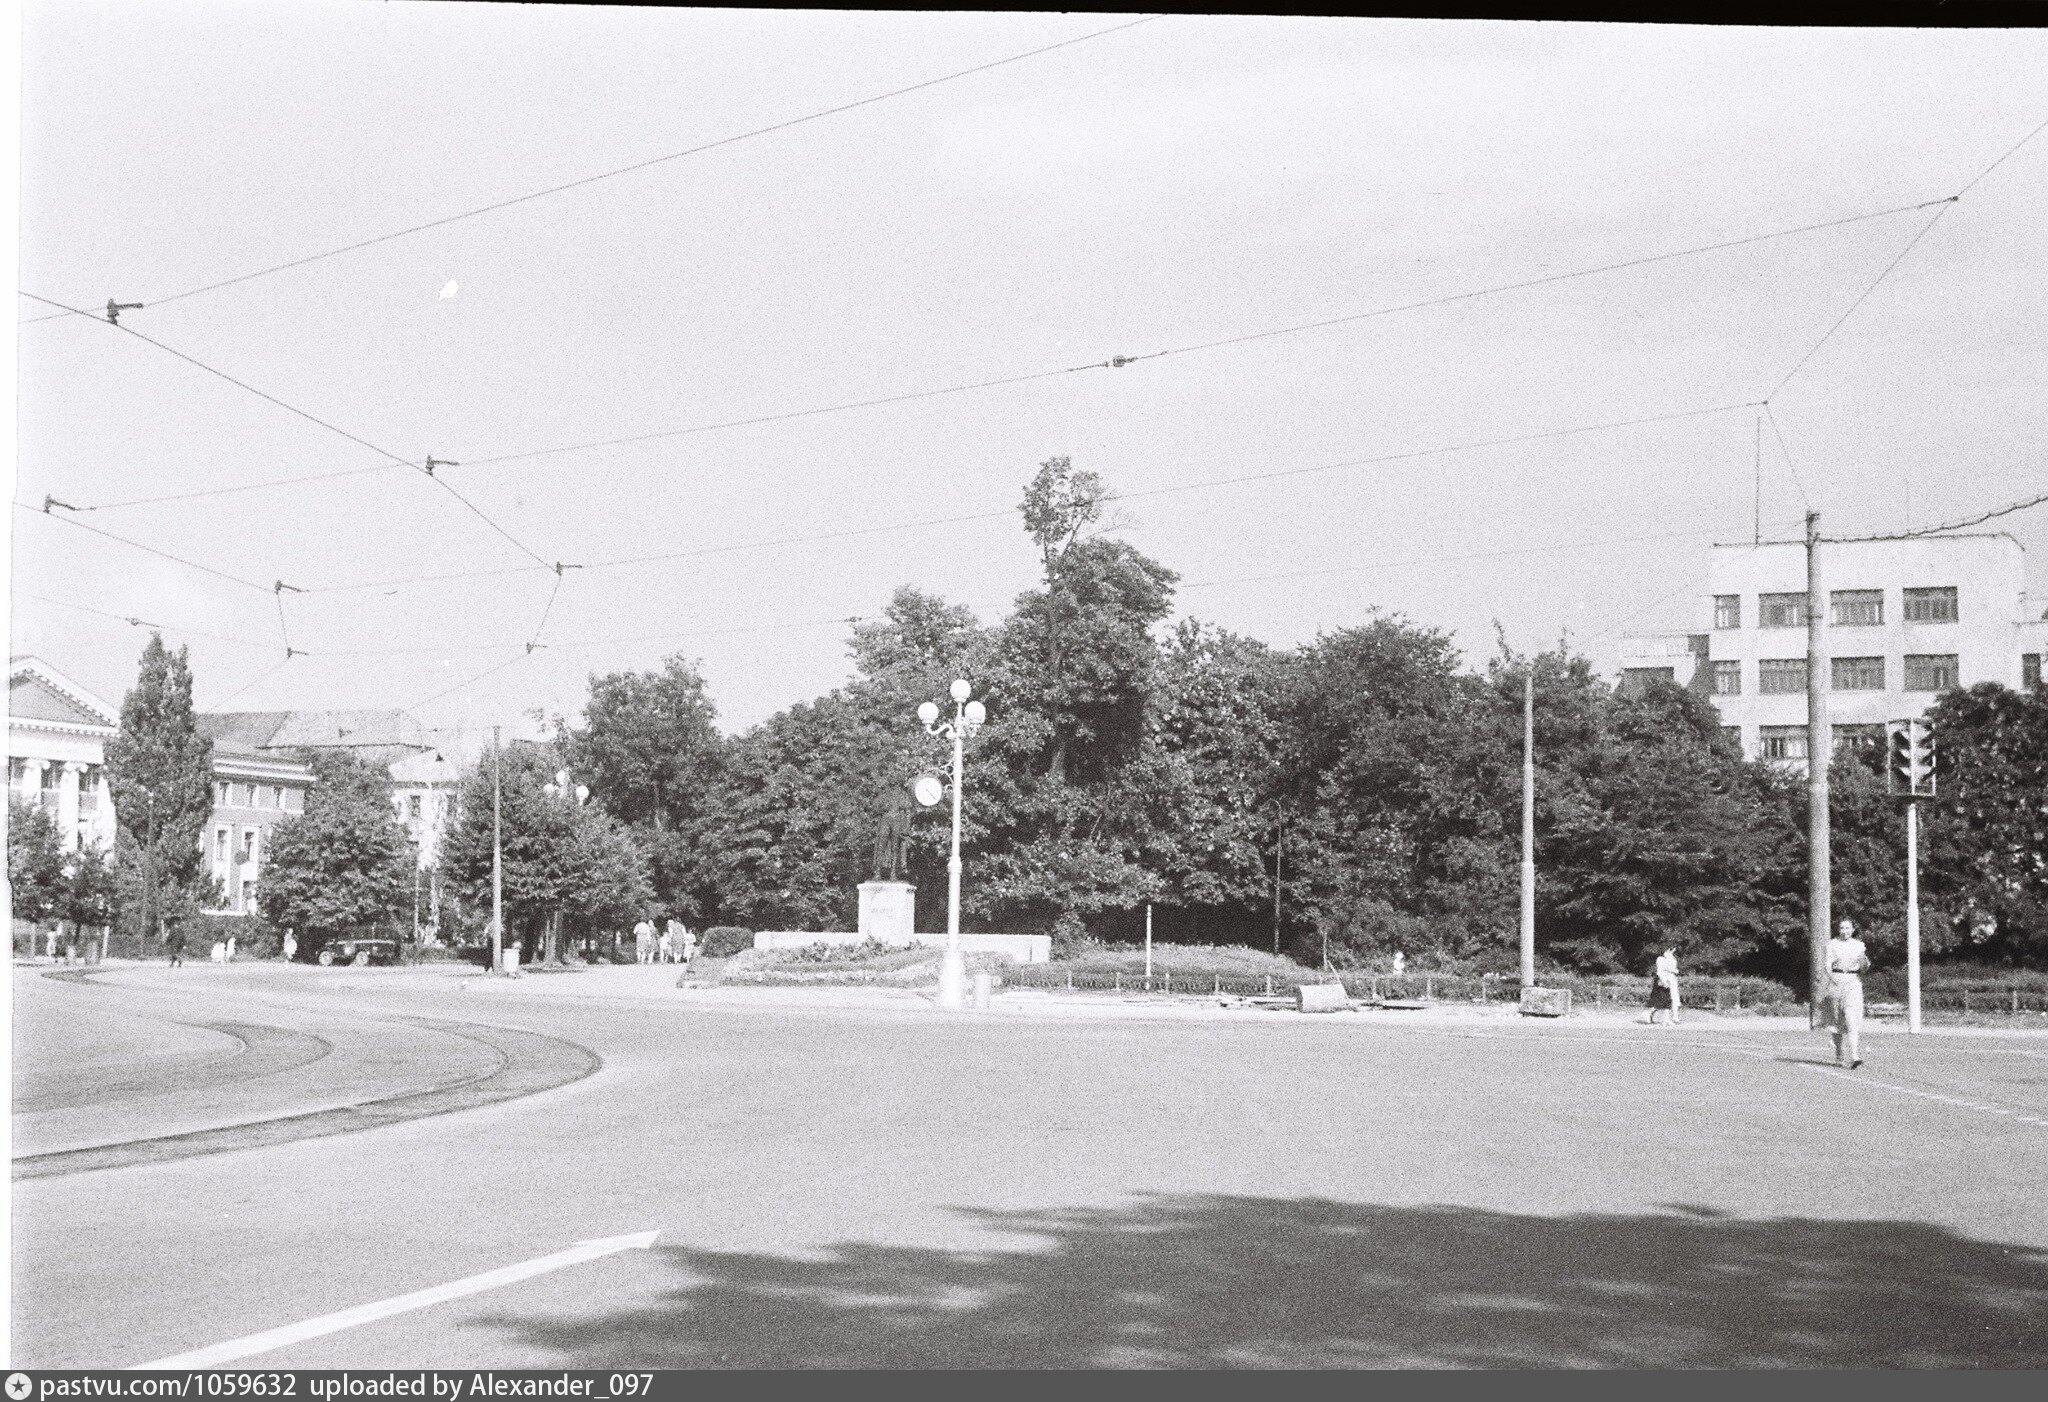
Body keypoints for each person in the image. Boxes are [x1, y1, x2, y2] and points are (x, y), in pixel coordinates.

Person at [1826, 917, 1870, 1069]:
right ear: (1838, 930)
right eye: (1842, 928)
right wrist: (1833, 979)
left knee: (1852, 1019)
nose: (1845, 931)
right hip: (1837, 981)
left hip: (1853, 982)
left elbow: (1864, 968)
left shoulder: (1859, 945)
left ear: (1853, 930)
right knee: (1837, 1021)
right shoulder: (1832, 944)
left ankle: (1854, 1055)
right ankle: (1839, 1052)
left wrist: (1863, 962)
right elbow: (1828, 965)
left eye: (1848, 928)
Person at [1648, 948, 1681, 1025]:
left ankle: (1671, 1018)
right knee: (1664, 1000)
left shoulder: (1672, 958)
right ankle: (1650, 1015)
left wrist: (1674, 970)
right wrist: (1664, 980)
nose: (1672, 952)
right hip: (1664, 981)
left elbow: (1673, 968)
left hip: (1671, 980)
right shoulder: (1661, 959)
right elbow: (1661, 971)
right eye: (1670, 950)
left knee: (1672, 999)